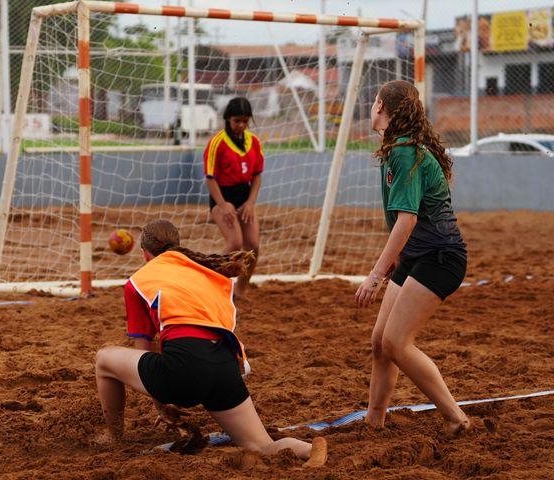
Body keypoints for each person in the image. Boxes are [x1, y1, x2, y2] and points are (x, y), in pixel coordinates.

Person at [95, 219, 327, 466]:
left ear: (144, 254)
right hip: (224, 364)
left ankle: (112, 437)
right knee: (262, 445)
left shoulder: (139, 281)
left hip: (185, 365)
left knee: (103, 360)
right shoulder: (204, 271)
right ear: (177, 246)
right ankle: (310, 448)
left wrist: (162, 407)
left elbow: (144, 348)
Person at [356, 80, 470, 436]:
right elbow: (405, 223)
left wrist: (376, 274)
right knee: (380, 342)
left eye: (374, 101)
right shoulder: (398, 149)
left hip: (440, 257)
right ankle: (374, 422)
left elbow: (407, 220)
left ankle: (455, 417)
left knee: (395, 342)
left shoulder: (405, 152)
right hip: (418, 255)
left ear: (380, 106)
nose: (371, 107)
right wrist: (394, 260)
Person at [203, 97, 263, 299]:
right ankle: (205, 281)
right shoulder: (217, 142)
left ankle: (240, 291)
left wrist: (251, 203)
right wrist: (222, 204)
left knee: (253, 245)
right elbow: (210, 178)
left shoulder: (254, 142)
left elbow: (257, 175)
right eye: (237, 120)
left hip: (244, 197)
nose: (241, 125)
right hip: (222, 196)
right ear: (228, 118)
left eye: (245, 121)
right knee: (235, 243)